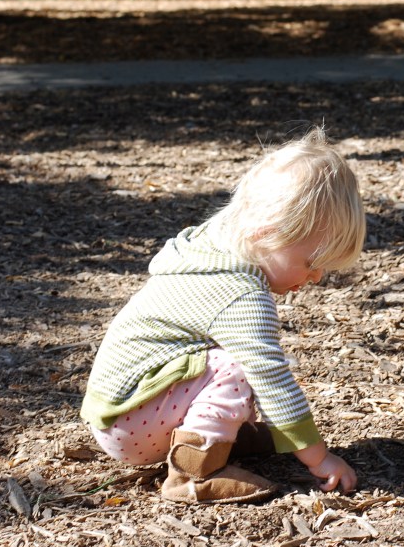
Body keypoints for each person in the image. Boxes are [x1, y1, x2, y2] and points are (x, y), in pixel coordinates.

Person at [80, 128, 365, 505]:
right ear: (267, 234)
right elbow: (271, 377)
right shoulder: (242, 295)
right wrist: (318, 456)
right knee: (240, 366)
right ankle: (194, 473)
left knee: (229, 358)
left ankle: (224, 437)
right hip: (131, 422)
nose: (316, 277)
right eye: (311, 263)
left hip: (118, 408)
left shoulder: (213, 245)